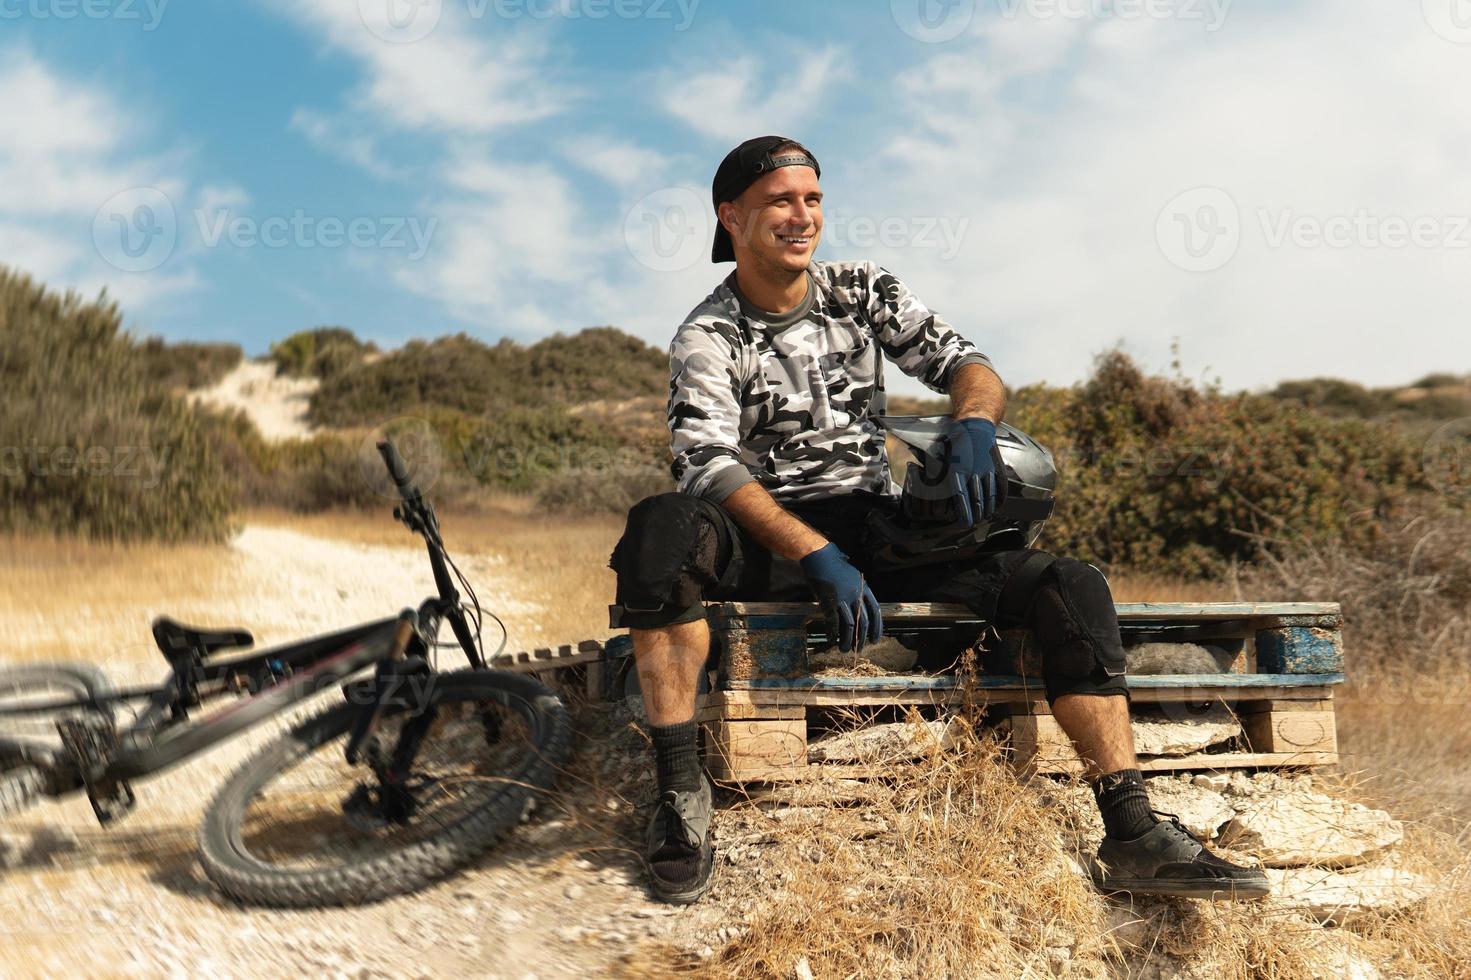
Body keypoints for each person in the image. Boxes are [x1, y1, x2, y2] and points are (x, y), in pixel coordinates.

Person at [609, 135, 1269, 905]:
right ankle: (680, 800)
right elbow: (706, 462)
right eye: (779, 202)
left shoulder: (859, 289)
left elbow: (968, 365)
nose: (801, 216)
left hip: (872, 523)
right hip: (768, 537)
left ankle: (1131, 830)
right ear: (730, 217)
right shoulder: (708, 335)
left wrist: (975, 426)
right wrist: (814, 553)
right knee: (660, 530)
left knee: (1066, 580)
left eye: (812, 198)